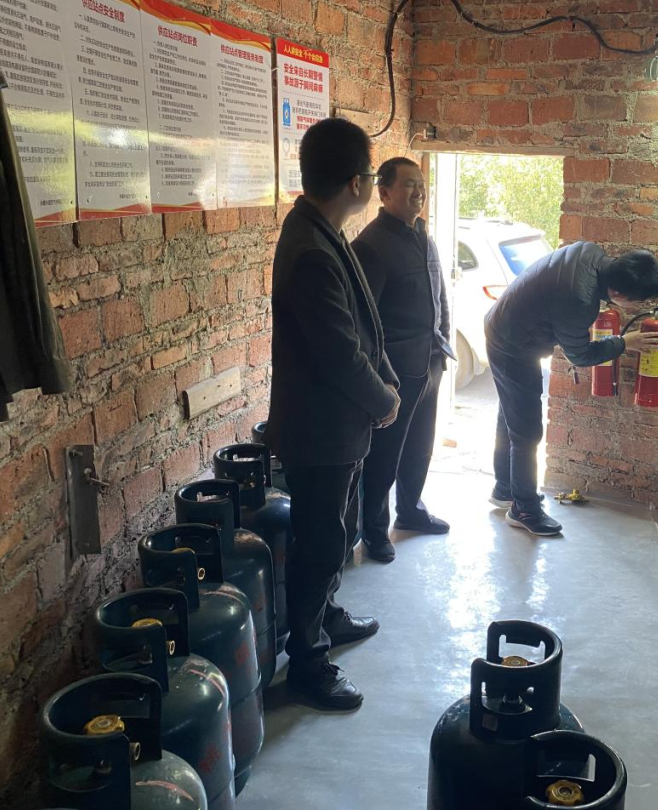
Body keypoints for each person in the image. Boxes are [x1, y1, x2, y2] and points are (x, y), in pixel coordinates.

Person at [263, 118, 399, 709]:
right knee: (318, 544)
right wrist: (384, 400)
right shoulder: (312, 250)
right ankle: (308, 664)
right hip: (321, 430)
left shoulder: (323, 229)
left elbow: (363, 324)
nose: (370, 181)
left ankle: (327, 614)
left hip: (338, 427)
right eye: (370, 172)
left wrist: (386, 379)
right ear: (356, 182)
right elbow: (340, 354)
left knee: (335, 532)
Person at [484, 242, 658, 536]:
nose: (636, 308)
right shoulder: (580, 300)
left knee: (512, 417)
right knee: (527, 432)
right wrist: (624, 342)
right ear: (620, 295)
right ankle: (524, 509)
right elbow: (580, 356)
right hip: (512, 345)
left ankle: (507, 489)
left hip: (507, 327)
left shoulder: (591, 253)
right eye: (637, 302)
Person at [351, 158, 455, 563]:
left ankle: (410, 509)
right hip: (396, 371)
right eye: (409, 184)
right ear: (384, 192)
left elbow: (439, 295)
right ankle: (375, 531)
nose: (419, 192)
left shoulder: (422, 235)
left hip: (430, 360)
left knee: (420, 446)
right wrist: (381, 378)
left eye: (421, 184)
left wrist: (443, 338)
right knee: (385, 455)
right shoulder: (371, 245)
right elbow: (365, 321)